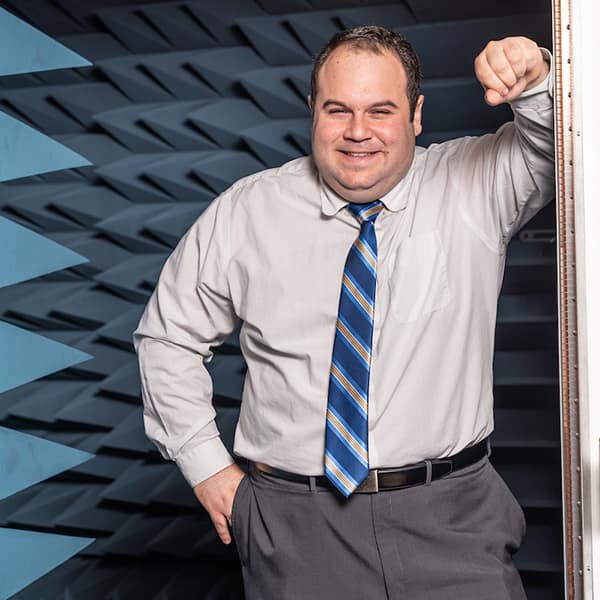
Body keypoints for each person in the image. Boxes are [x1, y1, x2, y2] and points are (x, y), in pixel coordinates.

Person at [133, 26, 553, 599]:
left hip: (452, 520)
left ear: (417, 114)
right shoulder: (248, 210)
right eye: (338, 110)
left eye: (381, 111)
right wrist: (207, 468)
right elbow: (167, 339)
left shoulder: (475, 182)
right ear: (312, 110)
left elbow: (560, 147)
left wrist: (534, 80)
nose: (359, 133)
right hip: (296, 528)